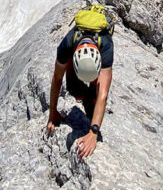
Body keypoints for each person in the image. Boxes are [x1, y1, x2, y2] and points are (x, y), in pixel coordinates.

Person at [46, 24, 113, 159]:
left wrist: (93, 132)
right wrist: (52, 113)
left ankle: (90, 108)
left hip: (97, 49)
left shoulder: (106, 45)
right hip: (75, 49)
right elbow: (57, 79)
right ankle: (86, 98)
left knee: (95, 96)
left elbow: (103, 94)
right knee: (73, 87)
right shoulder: (66, 45)